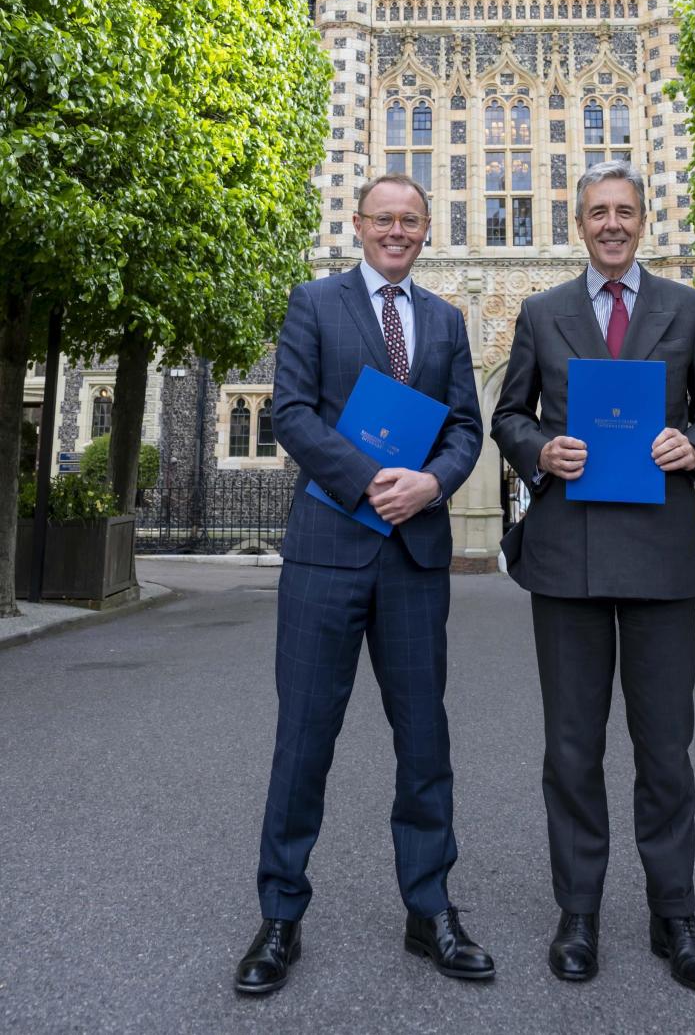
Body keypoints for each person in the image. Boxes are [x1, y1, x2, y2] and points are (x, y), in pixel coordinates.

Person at [235, 174, 494, 996]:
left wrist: (433, 484)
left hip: (414, 555)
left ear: (427, 231)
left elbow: (464, 425)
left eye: (410, 221)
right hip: (328, 551)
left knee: (425, 744)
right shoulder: (315, 303)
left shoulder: (447, 320)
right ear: (358, 225)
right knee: (303, 739)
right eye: (382, 219)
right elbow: (293, 413)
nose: (395, 231)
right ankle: (280, 916)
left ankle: (430, 911)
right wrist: (374, 477)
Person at [492, 159, 695, 995]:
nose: (610, 224)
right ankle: (579, 914)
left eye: (623, 211)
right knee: (572, 749)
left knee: (666, 749)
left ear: (643, 220)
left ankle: (676, 916)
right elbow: (507, 415)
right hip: (568, 556)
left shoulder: (687, 308)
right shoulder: (541, 313)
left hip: (661, 555)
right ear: (579, 223)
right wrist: (538, 451)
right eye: (596, 212)